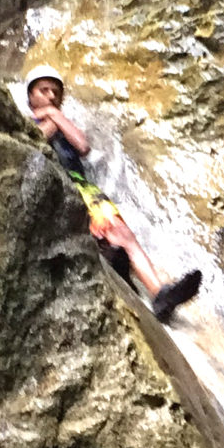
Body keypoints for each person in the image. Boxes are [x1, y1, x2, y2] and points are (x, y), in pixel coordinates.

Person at [25, 65, 202, 323]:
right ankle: (118, 265)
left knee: (125, 234)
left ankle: (159, 293)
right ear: (30, 96)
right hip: (59, 188)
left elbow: (82, 146)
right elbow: (35, 143)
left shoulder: (62, 122)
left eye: (56, 92)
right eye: (44, 91)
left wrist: (54, 114)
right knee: (106, 242)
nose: (51, 96)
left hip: (84, 187)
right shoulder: (24, 121)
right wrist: (50, 118)